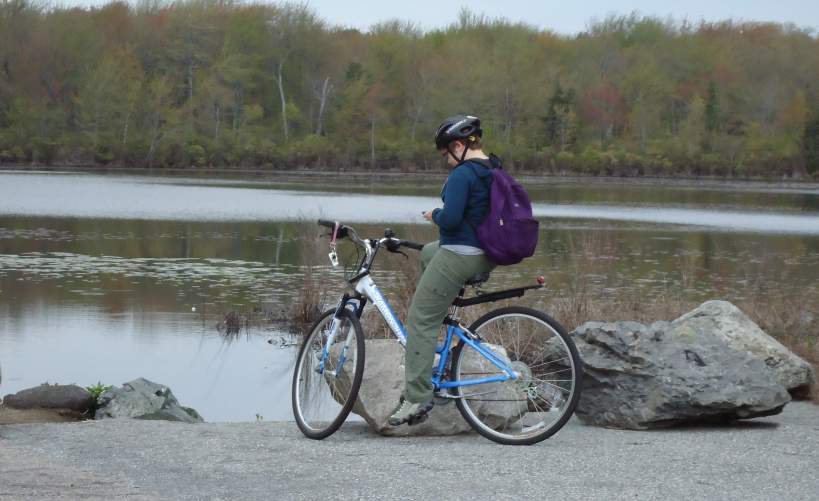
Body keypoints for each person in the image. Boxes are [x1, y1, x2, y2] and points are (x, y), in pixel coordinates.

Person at [388, 114, 496, 426]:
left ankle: (417, 397)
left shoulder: (464, 174)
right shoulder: (493, 168)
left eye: (446, 154)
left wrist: (434, 213)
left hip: (461, 254)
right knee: (427, 253)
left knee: (420, 319)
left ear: (460, 145)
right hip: (484, 252)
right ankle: (441, 322)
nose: (446, 161)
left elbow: (449, 220)